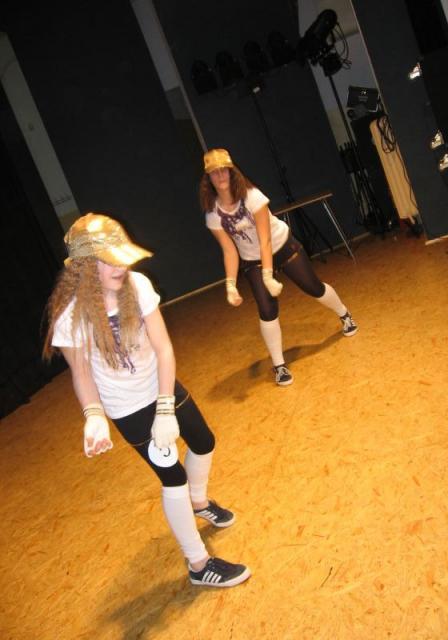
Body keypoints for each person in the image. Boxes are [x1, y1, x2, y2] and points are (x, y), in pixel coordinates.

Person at [43, 212, 251, 588]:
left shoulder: (137, 285)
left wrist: (166, 406)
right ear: (85, 267)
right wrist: (94, 416)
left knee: (204, 442)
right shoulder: (71, 317)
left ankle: (199, 502)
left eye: (121, 257)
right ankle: (199, 565)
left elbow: (163, 348)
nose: (120, 267)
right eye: (108, 261)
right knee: (173, 477)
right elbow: (82, 374)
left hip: (161, 385)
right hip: (128, 407)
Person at [199, 148, 358, 386]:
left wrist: (268, 275)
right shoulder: (213, 214)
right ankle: (279, 365)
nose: (220, 176)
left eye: (224, 170)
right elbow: (229, 251)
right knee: (266, 309)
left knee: (313, 287)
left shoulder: (252, 196)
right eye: (214, 172)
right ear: (208, 178)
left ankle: (345, 315)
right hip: (252, 259)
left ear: (232, 172)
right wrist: (230, 285)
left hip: (280, 245)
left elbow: (265, 240)